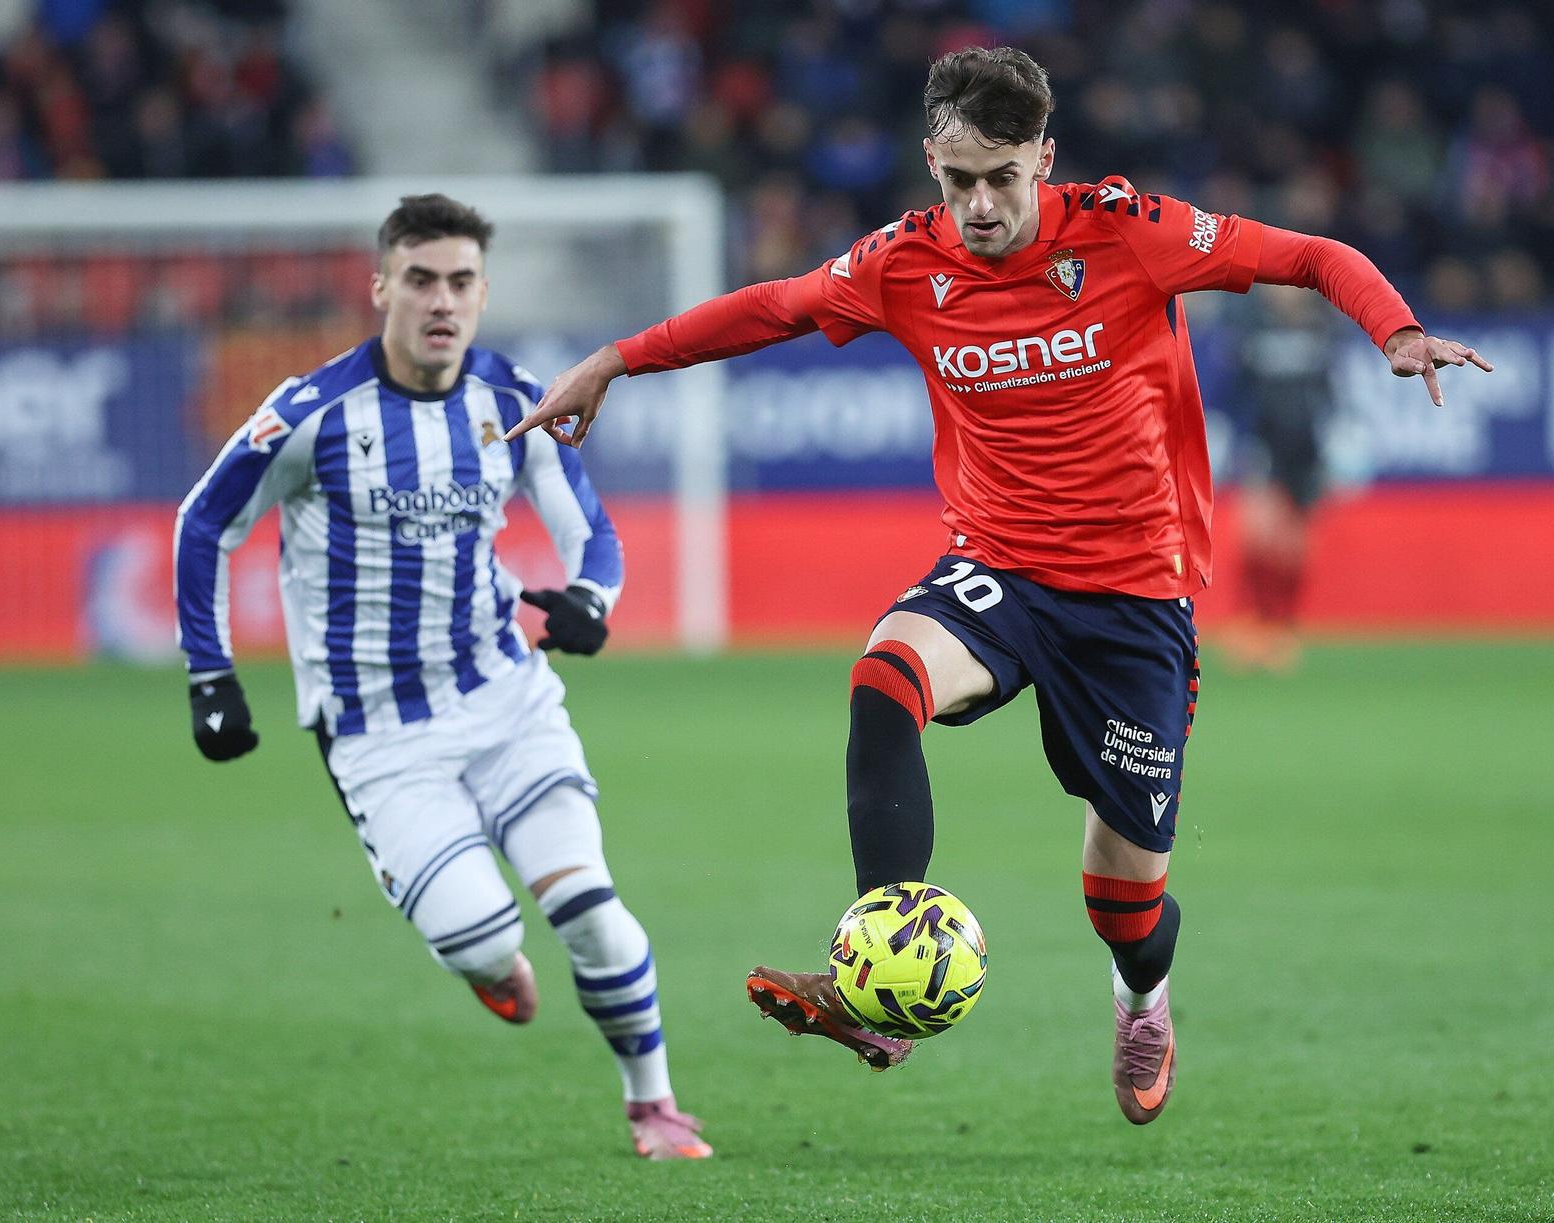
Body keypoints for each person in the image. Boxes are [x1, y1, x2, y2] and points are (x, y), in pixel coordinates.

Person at [507, 48, 1492, 1126]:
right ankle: (879, 980)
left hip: (1133, 596)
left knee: (1125, 904)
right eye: (959, 179)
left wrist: (1394, 328)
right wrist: (615, 359)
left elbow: (1309, 254)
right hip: (999, 565)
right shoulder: (902, 262)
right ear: (931, 163)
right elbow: (772, 307)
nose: (979, 205)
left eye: (1002, 179)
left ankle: (1143, 997)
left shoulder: (1129, 230)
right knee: (885, 676)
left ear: (1044, 159)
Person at [172, 194, 710, 1160]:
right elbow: (202, 522)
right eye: (420, 280)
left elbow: (591, 529)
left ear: (483, 293)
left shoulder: (515, 399)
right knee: (483, 937)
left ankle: (655, 1107)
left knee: (592, 912)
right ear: (381, 288)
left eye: (461, 281)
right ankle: (487, 962)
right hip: (378, 733)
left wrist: (592, 600)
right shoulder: (310, 412)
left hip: (506, 699)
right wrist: (211, 677)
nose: (442, 301)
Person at [1219, 285, 1344, 673]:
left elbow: (1330, 393)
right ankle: (1250, 623)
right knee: (1257, 536)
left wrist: (1339, 441)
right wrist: (1231, 436)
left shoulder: (1322, 328)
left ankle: (1282, 626)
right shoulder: (1251, 328)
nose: (1284, 295)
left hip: (1306, 450)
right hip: (1263, 445)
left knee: (1295, 547)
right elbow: (1234, 392)